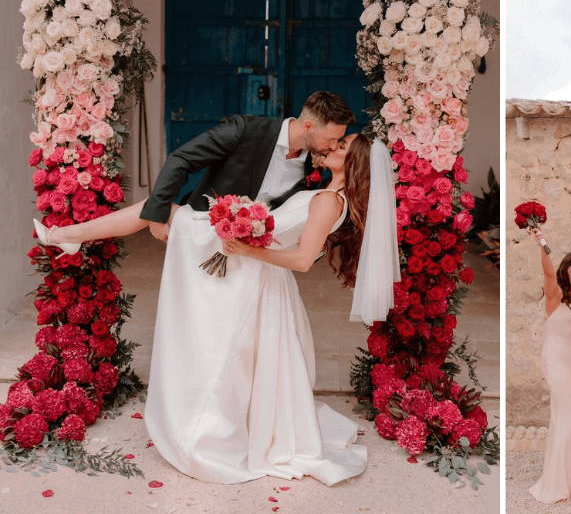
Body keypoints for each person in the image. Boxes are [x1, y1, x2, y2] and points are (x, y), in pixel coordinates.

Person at [35, 134, 400, 485]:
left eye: (344, 146)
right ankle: (67, 237)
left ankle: (65, 236)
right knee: (158, 213)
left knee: (160, 215)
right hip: (250, 266)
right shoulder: (324, 194)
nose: (334, 146)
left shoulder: (326, 201)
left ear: (357, 163)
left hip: (250, 266)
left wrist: (245, 248)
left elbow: (304, 259)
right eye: (339, 141)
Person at [140, 91, 355, 243]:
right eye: (331, 138)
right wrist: (156, 216)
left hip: (255, 258)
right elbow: (182, 159)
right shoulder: (245, 130)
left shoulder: (314, 165)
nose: (334, 146)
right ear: (307, 126)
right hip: (203, 233)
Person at [527, 229, 571, 503]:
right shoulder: (555, 295)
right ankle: (556, 483)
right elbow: (548, 273)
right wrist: (543, 243)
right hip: (557, 361)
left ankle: (567, 480)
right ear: (566, 268)